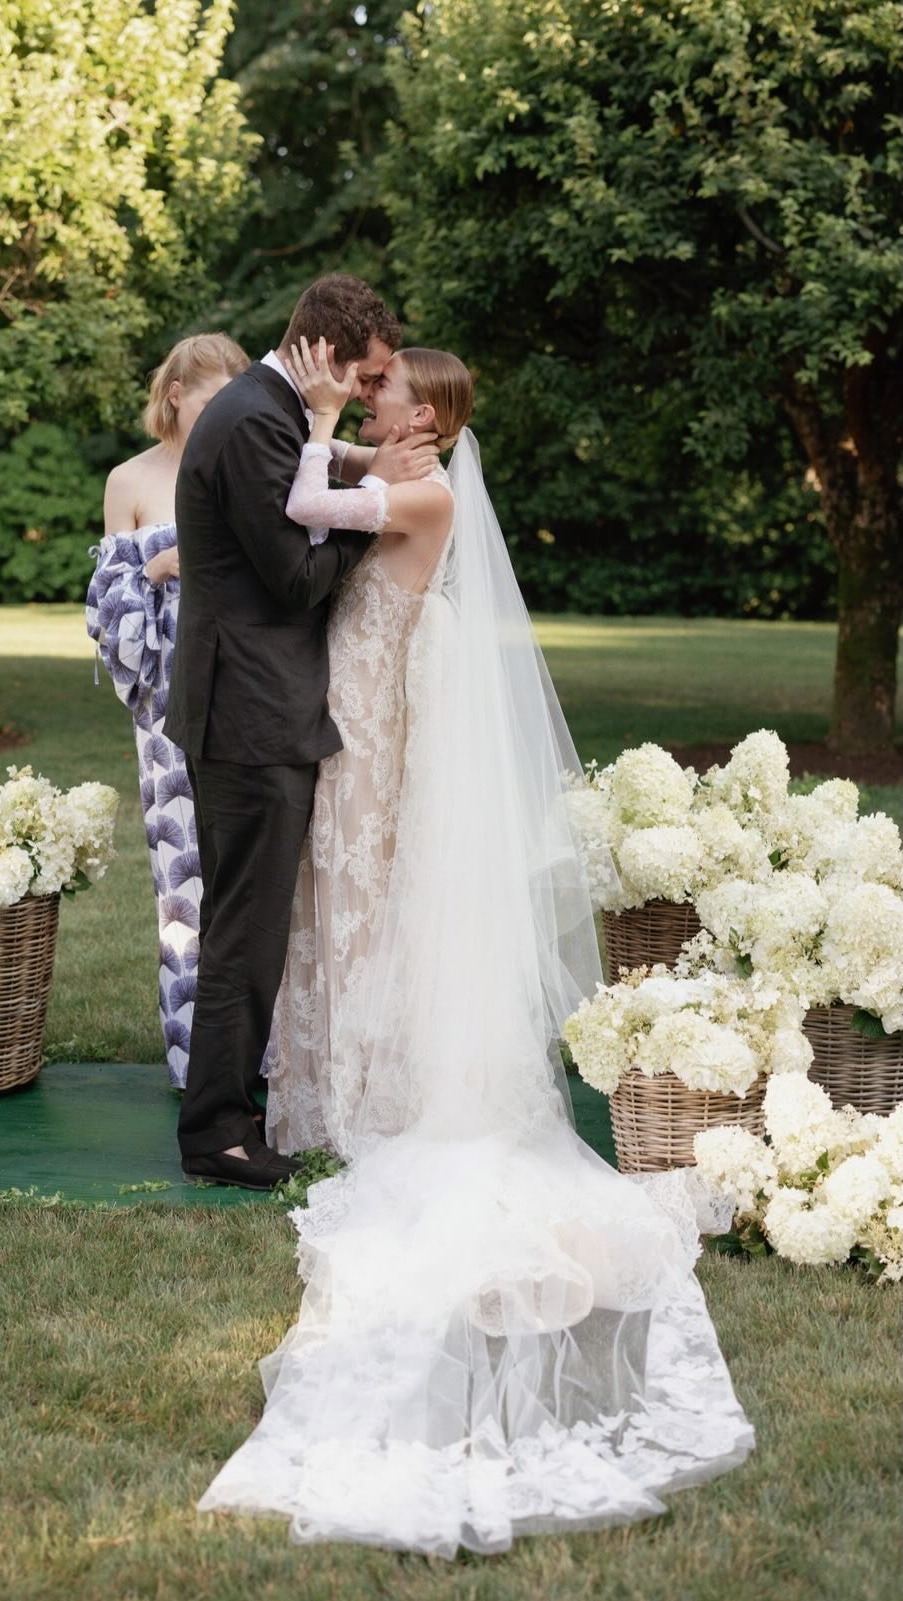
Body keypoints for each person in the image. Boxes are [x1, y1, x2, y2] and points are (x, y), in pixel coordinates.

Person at [197, 339, 755, 1554]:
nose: (374, 398)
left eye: (390, 391)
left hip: (361, 711)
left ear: (429, 417)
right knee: (328, 904)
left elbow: (305, 495)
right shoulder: (409, 474)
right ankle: (313, 1077)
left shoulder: (424, 491)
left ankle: (353, 1089)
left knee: (347, 899)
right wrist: (343, 428)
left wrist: (313, 414)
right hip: (348, 695)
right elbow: (331, 471)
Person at [163, 275, 441, 1190]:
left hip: (261, 705)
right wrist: (378, 516)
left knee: (253, 925)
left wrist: (361, 470)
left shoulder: (271, 410)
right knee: (244, 928)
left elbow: (302, 487)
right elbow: (293, 575)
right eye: (362, 379)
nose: (367, 397)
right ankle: (217, 1135)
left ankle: (231, 1112)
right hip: (248, 711)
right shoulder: (254, 419)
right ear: (322, 352)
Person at [86, 333, 248, 1088]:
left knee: (252, 869)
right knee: (182, 878)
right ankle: (194, 1061)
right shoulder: (129, 479)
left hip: (246, 686)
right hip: (163, 700)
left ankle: (266, 1054)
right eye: (212, 401)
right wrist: (156, 565)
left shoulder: (246, 464)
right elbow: (105, 607)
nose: (225, 417)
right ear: (176, 393)